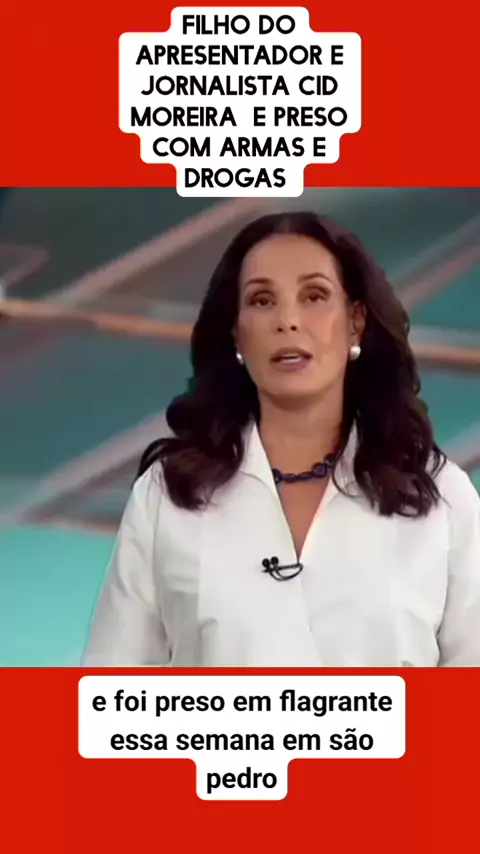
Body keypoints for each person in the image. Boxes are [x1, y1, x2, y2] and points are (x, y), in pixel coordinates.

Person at [82, 211, 480, 667]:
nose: (288, 320)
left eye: (314, 296)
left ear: (355, 322)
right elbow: (111, 691)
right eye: (262, 300)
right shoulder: (167, 494)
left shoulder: (441, 497)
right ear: (236, 332)